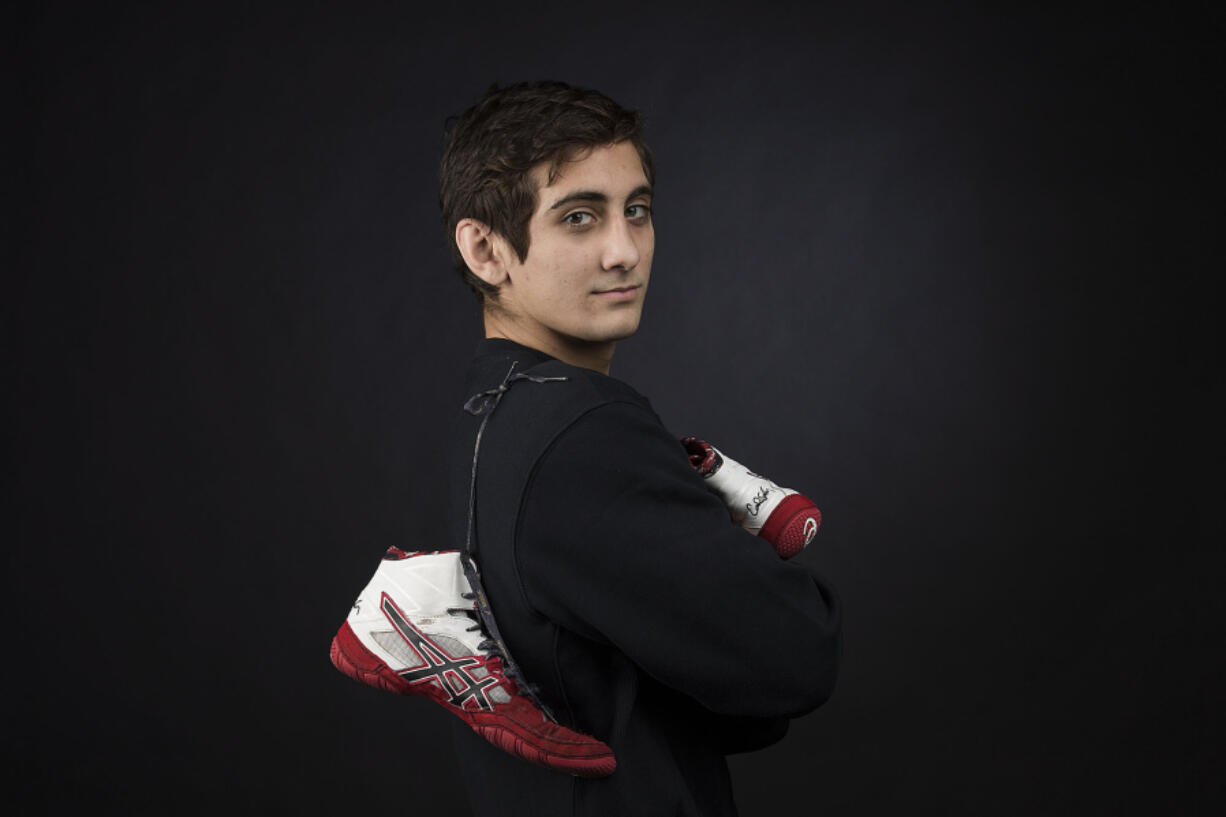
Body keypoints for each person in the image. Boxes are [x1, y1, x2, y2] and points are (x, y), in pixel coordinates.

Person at [331, 80, 841, 816]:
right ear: (485, 249)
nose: (623, 250)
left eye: (636, 210)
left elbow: (735, 706)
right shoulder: (585, 434)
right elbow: (797, 653)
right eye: (580, 217)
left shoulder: (487, 413)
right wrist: (750, 552)